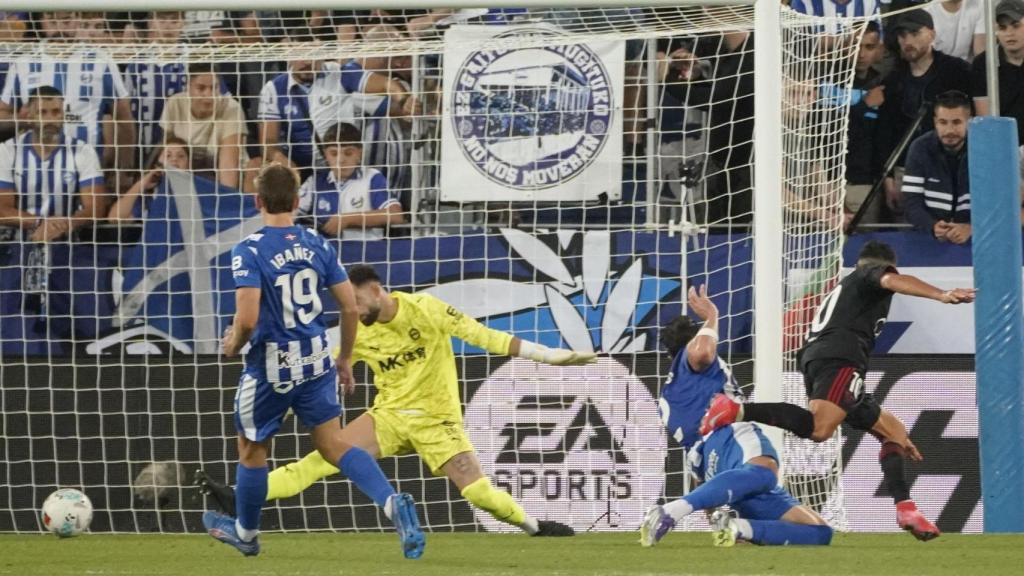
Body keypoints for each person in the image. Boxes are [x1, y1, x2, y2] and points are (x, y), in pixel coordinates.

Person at [196, 264, 596, 537]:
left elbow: (484, 337)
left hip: (437, 421)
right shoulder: (358, 330)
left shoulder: (427, 309)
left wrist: (547, 356)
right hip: (388, 417)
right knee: (322, 456)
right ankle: (241, 495)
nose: (349, 309)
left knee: (477, 493)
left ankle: (535, 527)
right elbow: (321, 352)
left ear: (375, 290)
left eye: (354, 300)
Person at [201, 163, 425, 559]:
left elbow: (248, 319)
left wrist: (232, 343)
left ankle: (247, 534)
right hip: (317, 360)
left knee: (252, 450)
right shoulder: (317, 244)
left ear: (257, 201)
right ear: (298, 200)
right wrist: (345, 359)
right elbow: (349, 307)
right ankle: (392, 503)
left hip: (272, 369)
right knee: (333, 444)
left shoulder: (248, 250)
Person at [700, 241, 976, 541]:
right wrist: (941, 294)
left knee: (894, 432)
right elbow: (891, 279)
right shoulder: (872, 274)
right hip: (839, 357)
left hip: (823, 357)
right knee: (820, 429)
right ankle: (736, 409)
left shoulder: (848, 288)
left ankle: (906, 508)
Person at [639, 285, 832, 548]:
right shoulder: (691, 357)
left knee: (820, 533)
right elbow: (703, 352)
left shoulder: (669, 395)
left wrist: (713, 516)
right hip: (731, 438)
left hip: (710, 464)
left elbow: (696, 459)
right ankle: (673, 510)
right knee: (766, 472)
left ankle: (739, 528)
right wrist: (712, 316)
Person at [0, 86, 108, 354]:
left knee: (77, 322)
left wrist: (62, 225)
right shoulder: (7, 151)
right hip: (17, 248)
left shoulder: (82, 151)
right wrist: (39, 224)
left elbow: (96, 207)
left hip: (67, 248)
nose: (50, 118)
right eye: (42, 112)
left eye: (56, 112)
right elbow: (2, 207)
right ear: (28, 115)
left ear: (64, 114)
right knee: (15, 322)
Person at [877, 9, 970, 218]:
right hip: (905, 170)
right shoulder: (892, 81)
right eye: (902, 35)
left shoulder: (958, 72)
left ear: (932, 34)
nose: (908, 40)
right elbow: (883, 134)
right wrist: (888, 179)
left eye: (915, 33)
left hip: (953, 168)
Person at [298, 122, 404, 240]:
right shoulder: (315, 182)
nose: (341, 160)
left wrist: (348, 219)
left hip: (368, 253)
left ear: (360, 153)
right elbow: (289, 213)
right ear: (326, 156)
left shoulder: (371, 177)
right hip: (328, 252)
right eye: (334, 154)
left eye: (348, 153)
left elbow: (395, 215)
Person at [159, 62, 247, 189]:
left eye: (214, 88)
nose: (209, 94)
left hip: (218, 172)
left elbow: (228, 165)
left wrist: (225, 200)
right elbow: (165, 150)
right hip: (185, 173)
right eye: (201, 88)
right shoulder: (174, 103)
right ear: (188, 88)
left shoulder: (232, 109)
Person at [901, 91, 972, 243]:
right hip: (928, 240)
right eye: (943, 122)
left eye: (957, 122)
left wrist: (971, 227)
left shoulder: (985, 149)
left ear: (969, 121)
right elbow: (911, 202)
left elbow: (998, 205)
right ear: (935, 122)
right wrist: (932, 225)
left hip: (978, 241)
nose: (949, 130)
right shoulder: (920, 148)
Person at [971, 0, 1024, 147]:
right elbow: (987, 122)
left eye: (1016, 25)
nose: (1009, 33)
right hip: (1002, 146)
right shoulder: (982, 64)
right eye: (1002, 27)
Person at [258, 58, 319, 178]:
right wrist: (281, 160)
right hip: (296, 166)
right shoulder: (273, 88)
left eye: (313, 55)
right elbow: (268, 144)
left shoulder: (336, 77)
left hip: (335, 163)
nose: (307, 62)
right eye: (301, 55)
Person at [106, 137, 191, 222]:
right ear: (157, 164)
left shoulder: (198, 191)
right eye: (168, 155)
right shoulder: (148, 197)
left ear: (188, 165)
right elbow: (114, 218)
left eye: (181, 156)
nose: (174, 159)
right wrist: (141, 184)